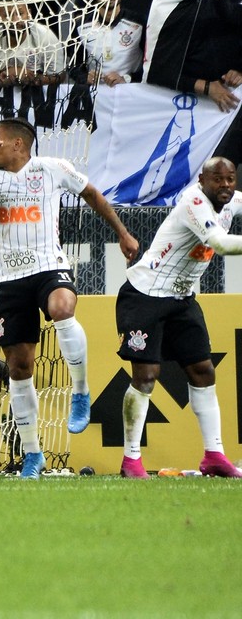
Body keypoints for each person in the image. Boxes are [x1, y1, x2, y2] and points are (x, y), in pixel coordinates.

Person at [0, 117, 138, 479]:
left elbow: (92, 194)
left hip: (49, 266)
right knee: (19, 367)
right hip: (10, 279)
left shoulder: (52, 168)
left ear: (18, 144)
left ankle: (80, 392)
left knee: (62, 307)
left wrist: (122, 233)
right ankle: (33, 454)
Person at [116, 157, 242, 479]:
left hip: (181, 298)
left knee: (203, 370)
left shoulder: (231, 201)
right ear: (202, 180)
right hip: (145, 295)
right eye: (218, 179)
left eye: (230, 179)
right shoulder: (193, 202)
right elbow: (220, 244)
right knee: (146, 376)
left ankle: (214, 455)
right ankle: (131, 461)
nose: (225, 185)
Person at [142, 0, 242, 113]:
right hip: (186, 103)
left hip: (233, 96)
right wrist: (207, 87)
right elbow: (158, 71)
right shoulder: (165, 3)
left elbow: (236, 24)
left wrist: (240, 68)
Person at [70, 0, 144, 87]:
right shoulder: (80, 25)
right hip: (96, 93)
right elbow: (73, 66)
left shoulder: (139, 23)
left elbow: (151, 63)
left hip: (131, 92)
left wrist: (127, 78)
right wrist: (84, 76)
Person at [0, 1, 67, 87]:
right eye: (8, 15)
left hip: (39, 94)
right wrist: (2, 77)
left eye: (20, 13)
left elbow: (60, 76)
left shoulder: (46, 37)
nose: (15, 20)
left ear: (29, 14)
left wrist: (31, 78)